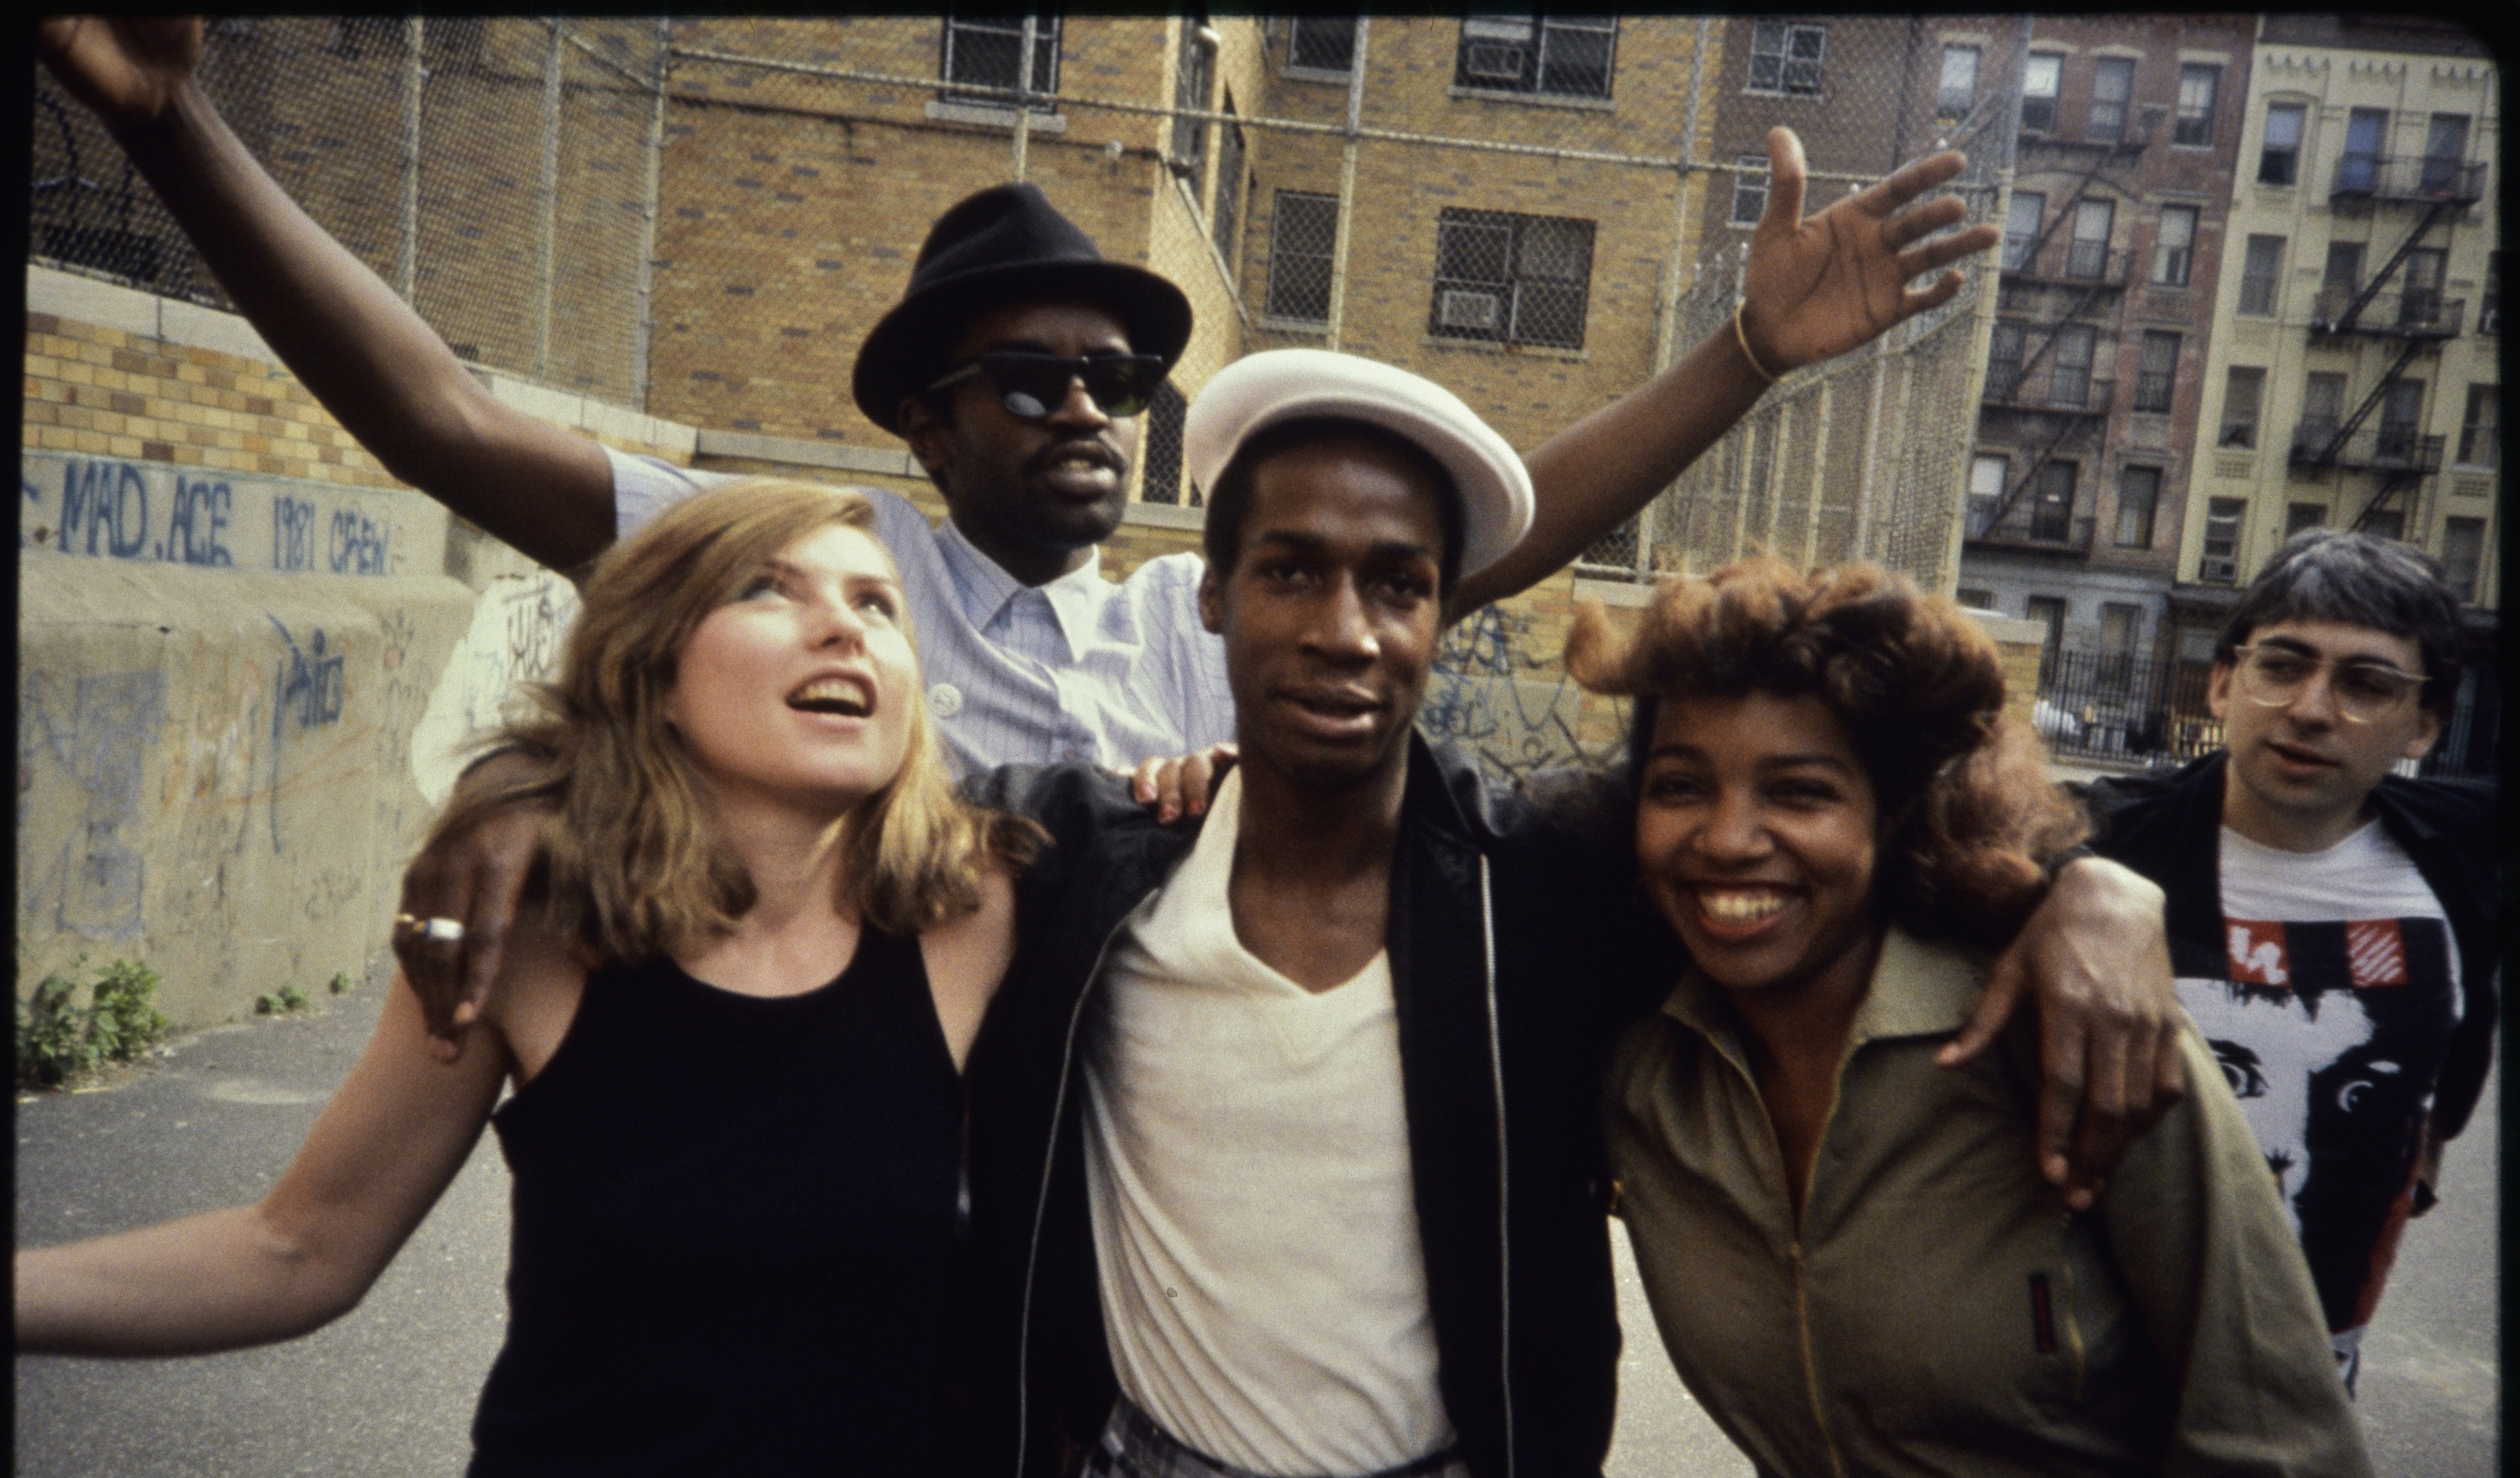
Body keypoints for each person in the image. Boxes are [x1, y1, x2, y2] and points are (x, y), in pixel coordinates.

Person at [32, 15, 2001, 1039]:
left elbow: (1482, 538)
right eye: (1034, 379)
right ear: (921, 417)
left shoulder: (1190, 621)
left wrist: (1747, 347)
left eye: (1120, 383)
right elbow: (442, 417)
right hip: (860, 1194)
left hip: (1122, 1226)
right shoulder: (815, 588)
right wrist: (166, 126)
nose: (1088, 413)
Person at [949, 352, 2189, 1478]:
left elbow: (1832, 843)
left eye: (1400, 584)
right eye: (1289, 570)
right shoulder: (1080, 866)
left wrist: (2093, 887)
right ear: (1210, 589)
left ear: (1443, 612)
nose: (1345, 629)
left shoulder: (1529, 885)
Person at [14, 481, 1037, 1478]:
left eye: (877, 606)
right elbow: (299, 1247)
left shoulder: (978, 917)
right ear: (650, 670)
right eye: (769, 589)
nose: (844, 628)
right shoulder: (537, 937)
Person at [1566, 558, 2401, 1478]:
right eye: (1681, 785)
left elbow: (2283, 1473)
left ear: (1894, 808)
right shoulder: (1646, 1067)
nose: (1728, 837)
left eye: (1800, 791)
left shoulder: (2074, 1033)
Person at [2072, 530, 2499, 1478]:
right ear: (2223, 682)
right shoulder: (2098, 852)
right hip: (2086, 1406)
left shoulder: (2457, 871)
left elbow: (2439, 1088)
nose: (2312, 706)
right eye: (2282, 663)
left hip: (2307, 1402)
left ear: (2422, 726)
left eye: (2366, 683)